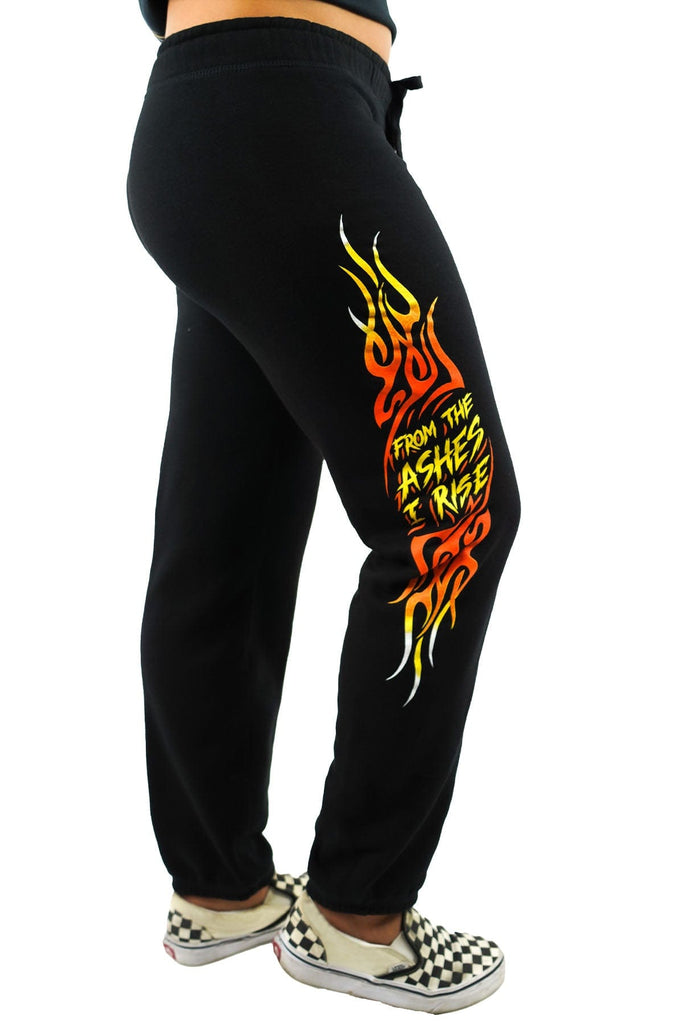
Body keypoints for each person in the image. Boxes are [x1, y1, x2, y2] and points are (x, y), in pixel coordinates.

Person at [126, 0, 521, 1013]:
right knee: (452, 517)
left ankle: (219, 888)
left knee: (229, 522)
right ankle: (359, 913)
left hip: (222, 114)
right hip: (281, 111)